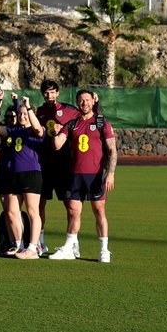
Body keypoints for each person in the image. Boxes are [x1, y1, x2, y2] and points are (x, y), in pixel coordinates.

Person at [49, 90, 116, 263]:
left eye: (87, 100)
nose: (84, 103)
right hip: (75, 175)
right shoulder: (72, 123)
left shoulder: (101, 122)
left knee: (99, 211)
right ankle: (69, 248)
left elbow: (112, 150)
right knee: (73, 212)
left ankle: (104, 250)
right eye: (81, 100)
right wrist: (55, 132)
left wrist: (111, 173)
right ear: (77, 103)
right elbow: (57, 145)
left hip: (95, 175)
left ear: (93, 101)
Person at [0, 91, 44, 259]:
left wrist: (28, 108)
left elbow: (38, 129)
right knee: (12, 211)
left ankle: (33, 248)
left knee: (33, 211)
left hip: (31, 174)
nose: (22, 117)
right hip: (13, 175)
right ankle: (19, 245)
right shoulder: (14, 131)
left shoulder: (35, 130)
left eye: (24, 114)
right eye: (20, 114)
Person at [35, 83, 78, 252]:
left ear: (58, 93)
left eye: (52, 92)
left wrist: (95, 105)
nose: (49, 96)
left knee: (70, 206)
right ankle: (40, 242)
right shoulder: (39, 112)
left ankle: (72, 243)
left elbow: (88, 118)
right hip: (43, 164)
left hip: (64, 165)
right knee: (39, 204)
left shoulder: (69, 110)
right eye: (46, 93)